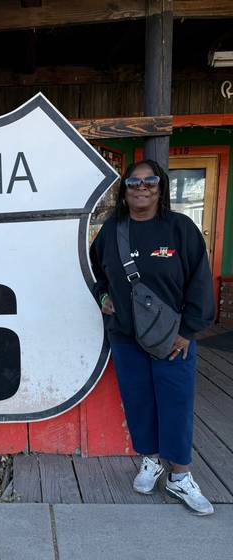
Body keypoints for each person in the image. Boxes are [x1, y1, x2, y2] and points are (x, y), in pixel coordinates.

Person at [90, 159, 215, 515]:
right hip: (126, 336)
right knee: (139, 401)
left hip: (172, 339)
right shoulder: (113, 230)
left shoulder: (180, 229)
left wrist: (188, 331)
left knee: (175, 402)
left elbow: (199, 282)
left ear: (161, 187)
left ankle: (180, 475)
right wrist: (103, 298)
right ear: (124, 190)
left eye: (150, 182)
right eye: (134, 182)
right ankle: (151, 461)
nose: (141, 187)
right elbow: (95, 271)